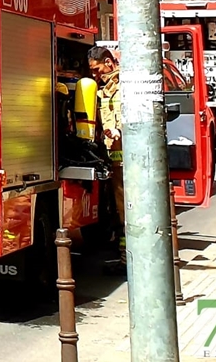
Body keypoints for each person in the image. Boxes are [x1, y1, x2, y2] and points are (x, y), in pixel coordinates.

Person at [89, 45, 126, 273]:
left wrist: (118, 131)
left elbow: (132, 117)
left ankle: (127, 261)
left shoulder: (125, 86)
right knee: (118, 212)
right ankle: (124, 257)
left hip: (127, 163)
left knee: (126, 211)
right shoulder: (106, 89)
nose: (95, 75)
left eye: (97, 70)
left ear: (109, 63)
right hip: (114, 162)